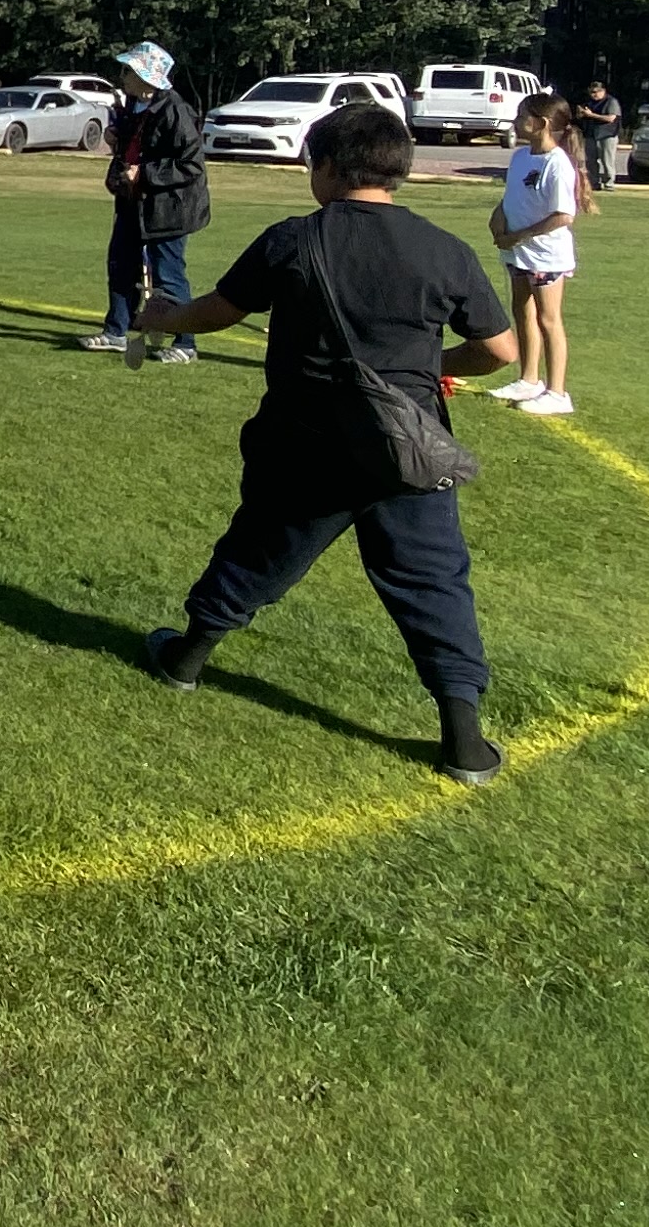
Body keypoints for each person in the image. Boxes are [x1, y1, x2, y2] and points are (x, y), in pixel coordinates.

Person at [133, 100, 524, 786]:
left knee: (257, 554)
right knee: (434, 585)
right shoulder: (444, 249)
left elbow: (220, 313)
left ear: (330, 167)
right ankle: (464, 740)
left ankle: (186, 659)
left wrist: (166, 316)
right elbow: (500, 351)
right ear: (395, 168)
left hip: (306, 442)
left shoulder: (293, 239)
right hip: (408, 449)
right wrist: (432, 369)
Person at [85, 40, 210, 363]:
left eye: (128, 70)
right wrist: (116, 141)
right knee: (121, 267)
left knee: (168, 275)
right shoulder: (132, 106)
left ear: (146, 76)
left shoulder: (175, 111)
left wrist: (144, 174)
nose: (122, 75)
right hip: (132, 205)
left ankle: (186, 343)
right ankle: (116, 332)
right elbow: (131, 148)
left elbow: (191, 165)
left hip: (167, 209)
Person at [488, 91, 582, 417]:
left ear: (540, 124)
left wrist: (518, 236)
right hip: (518, 253)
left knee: (548, 319)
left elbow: (563, 215)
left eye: (521, 116)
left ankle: (557, 391)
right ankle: (529, 379)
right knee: (522, 311)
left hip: (545, 255)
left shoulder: (558, 164)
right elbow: (511, 198)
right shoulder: (521, 158)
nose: (515, 121)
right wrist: (498, 221)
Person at [572, 73, 623, 192]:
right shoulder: (588, 102)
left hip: (607, 135)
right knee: (590, 161)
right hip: (590, 134)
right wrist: (581, 114)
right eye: (592, 92)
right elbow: (581, 117)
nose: (594, 94)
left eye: (596, 92)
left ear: (603, 91)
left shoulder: (611, 102)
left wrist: (591, 115)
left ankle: (609, 183)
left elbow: (611, 118)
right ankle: (594, 183)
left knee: (607, 160)